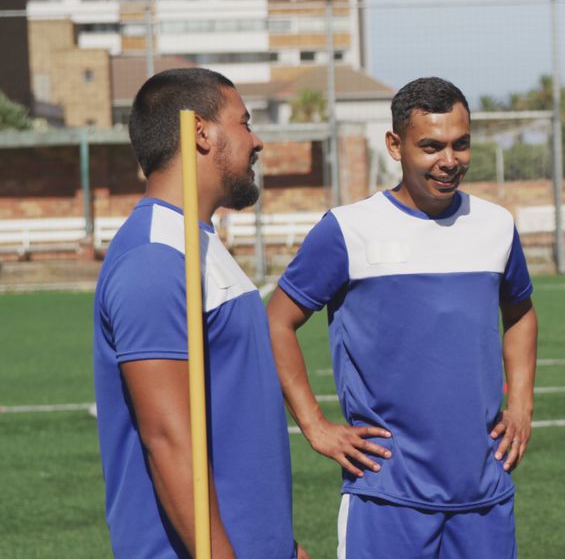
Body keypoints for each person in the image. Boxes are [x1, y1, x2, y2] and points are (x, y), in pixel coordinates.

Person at [266, 76, 537, 559]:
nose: (448, 161)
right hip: (385, 493)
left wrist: (521, 405)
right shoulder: (347, 229)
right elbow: (276, 321)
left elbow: (520, 313)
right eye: (431, 146)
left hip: (484, 489)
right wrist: (315, 426)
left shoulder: (496, 225)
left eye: (461, 144)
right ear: (395, 144)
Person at [92, 68, 304, 558]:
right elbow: (168, 440)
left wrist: (279, 544)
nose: (257, 141)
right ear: (201, 133)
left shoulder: (197, 243)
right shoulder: (155, 258)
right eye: (244, 123)